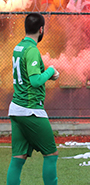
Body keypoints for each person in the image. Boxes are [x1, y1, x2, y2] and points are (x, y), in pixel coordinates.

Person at [7, 13, 60, 185]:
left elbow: (28, 75)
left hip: (16, 107)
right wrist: (51, 71)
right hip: (30, 109)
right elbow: (35, 80)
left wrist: (46, 75)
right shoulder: (32, 50)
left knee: (18, 157)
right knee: (51, 154)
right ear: (41, 29)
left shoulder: (18, 47)